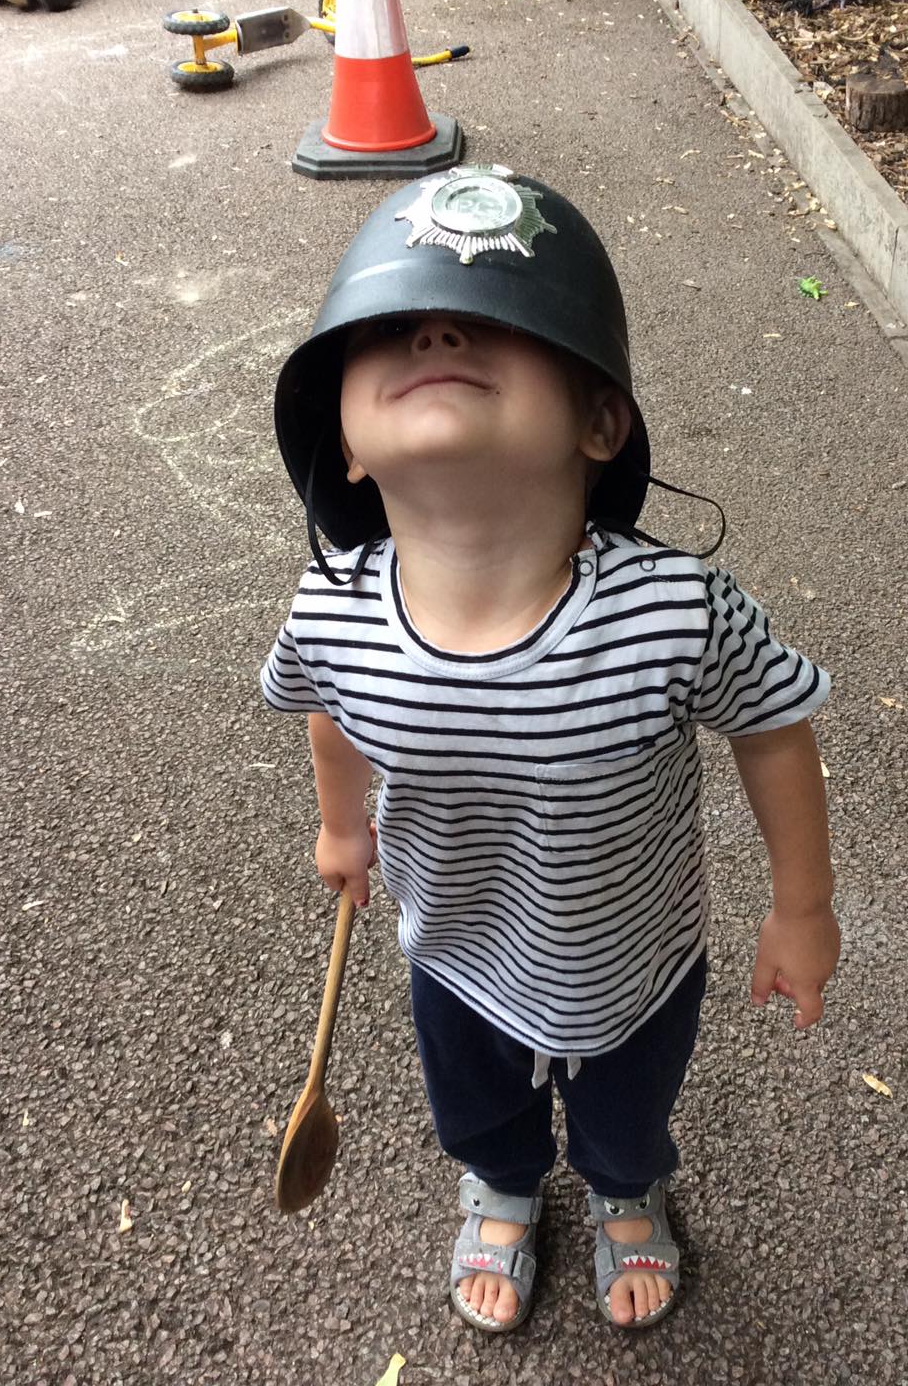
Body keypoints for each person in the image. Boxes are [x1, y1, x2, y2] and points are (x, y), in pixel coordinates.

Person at [261, 165, 839, 1333]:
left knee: (627, 1113)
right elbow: (328, 708)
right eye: (388, 332)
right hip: (457, 949)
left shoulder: (676, 610)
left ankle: (627, 1183)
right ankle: (506, 1182)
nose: (431, 330)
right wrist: (340, 823)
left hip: (637, 961)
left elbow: (773, 726)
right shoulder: (329, 611)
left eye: (490, 327)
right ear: (347, 443)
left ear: (598, 419)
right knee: (472, 1105)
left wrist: (802, 905)